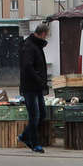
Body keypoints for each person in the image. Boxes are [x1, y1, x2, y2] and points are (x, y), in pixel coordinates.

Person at [19, 23, 50, 154]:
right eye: (46, 35)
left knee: (42, 114)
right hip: (30, 87)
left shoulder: (37, 45)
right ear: (42, 34)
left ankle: (25, 136)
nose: (46, 38)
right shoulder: (29, 46)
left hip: (37, 86)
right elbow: (27, 67)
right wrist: (38, 79)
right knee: (34, 115)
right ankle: (34, 143)